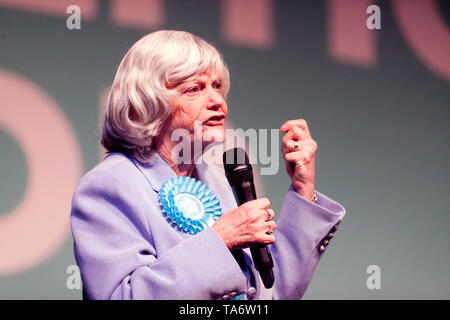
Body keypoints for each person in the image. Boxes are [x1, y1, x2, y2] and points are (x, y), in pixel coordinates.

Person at [70, 30, 345, 300]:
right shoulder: (112, 185)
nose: (217, 101)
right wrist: (220, 240)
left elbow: (270, 293)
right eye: (195, 89)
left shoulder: (219, 182)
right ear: (149, 103)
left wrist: (302, 187)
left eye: (216, 86)